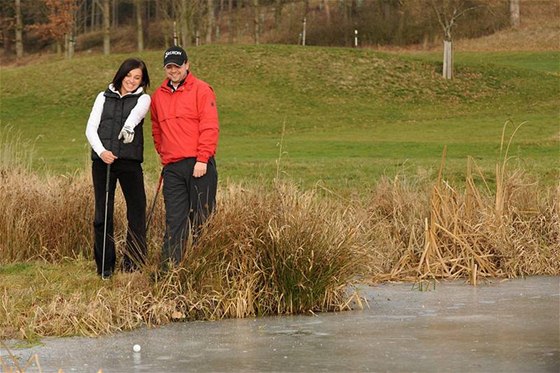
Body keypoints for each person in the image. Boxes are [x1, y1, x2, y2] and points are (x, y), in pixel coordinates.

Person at [150, 46, 219, 268]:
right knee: (174, 219)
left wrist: (202, 159)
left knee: (202, 219)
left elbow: (210, 126)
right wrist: (164, 152)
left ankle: (204, 268)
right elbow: (156, 128)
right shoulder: (158, 96)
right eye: (169, 67)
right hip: (172, 167)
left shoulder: (202, 90)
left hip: (199, 165)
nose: (173, 71)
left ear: (187, 65)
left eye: (177, 66)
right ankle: (169, 270)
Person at [85, 58, 151, 279]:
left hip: (129, 162)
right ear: (121, 75)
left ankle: (133, 263)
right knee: (103, 214)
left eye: (137, 77)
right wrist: (102, 151)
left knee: (137, 210)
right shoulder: (103, 97)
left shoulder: (143, 99)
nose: (132, 81)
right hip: (103, 162)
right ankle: (105, 266)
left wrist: (128, 127)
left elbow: (136, 115)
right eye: (129, 75)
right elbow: (91, 129)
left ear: (142, 81)